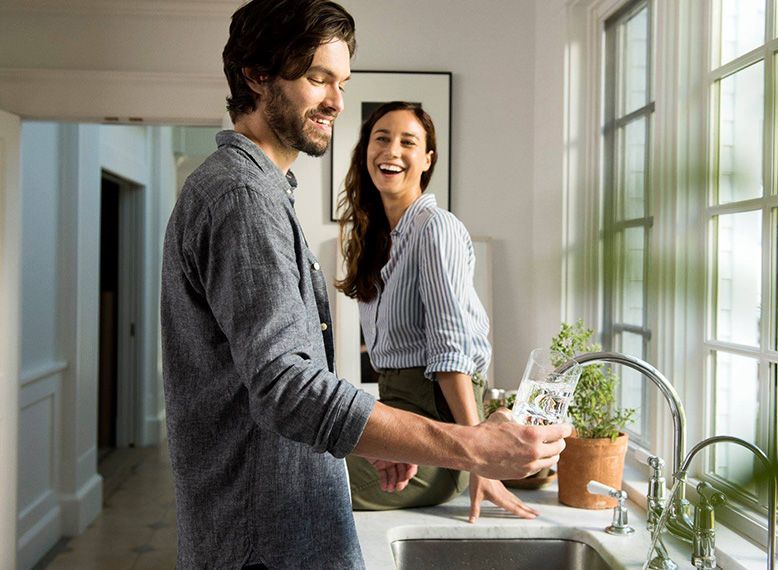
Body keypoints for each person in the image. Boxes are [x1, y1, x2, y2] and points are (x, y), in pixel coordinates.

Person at [160, 1, 572, 568]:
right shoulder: (242, 199)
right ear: (256, 75)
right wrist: (472, 446)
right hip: (269, 537)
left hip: (270, 521)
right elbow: (289, 387)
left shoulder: (258, 192)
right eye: (316, 78)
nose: (336, 101)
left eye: (342, 82)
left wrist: (373, 439)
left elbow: (286, 379)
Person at [336, 102, 538, 523]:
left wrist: (479, 458)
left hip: (442, 443)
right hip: (401, 429)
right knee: (297, 460)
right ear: (365, 152)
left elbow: (451, 351)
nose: (392, 150)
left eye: (408, 142)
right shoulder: (379, 239)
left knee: (310, 480)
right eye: (381, 138)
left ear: (427, 160)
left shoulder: (435, 229)